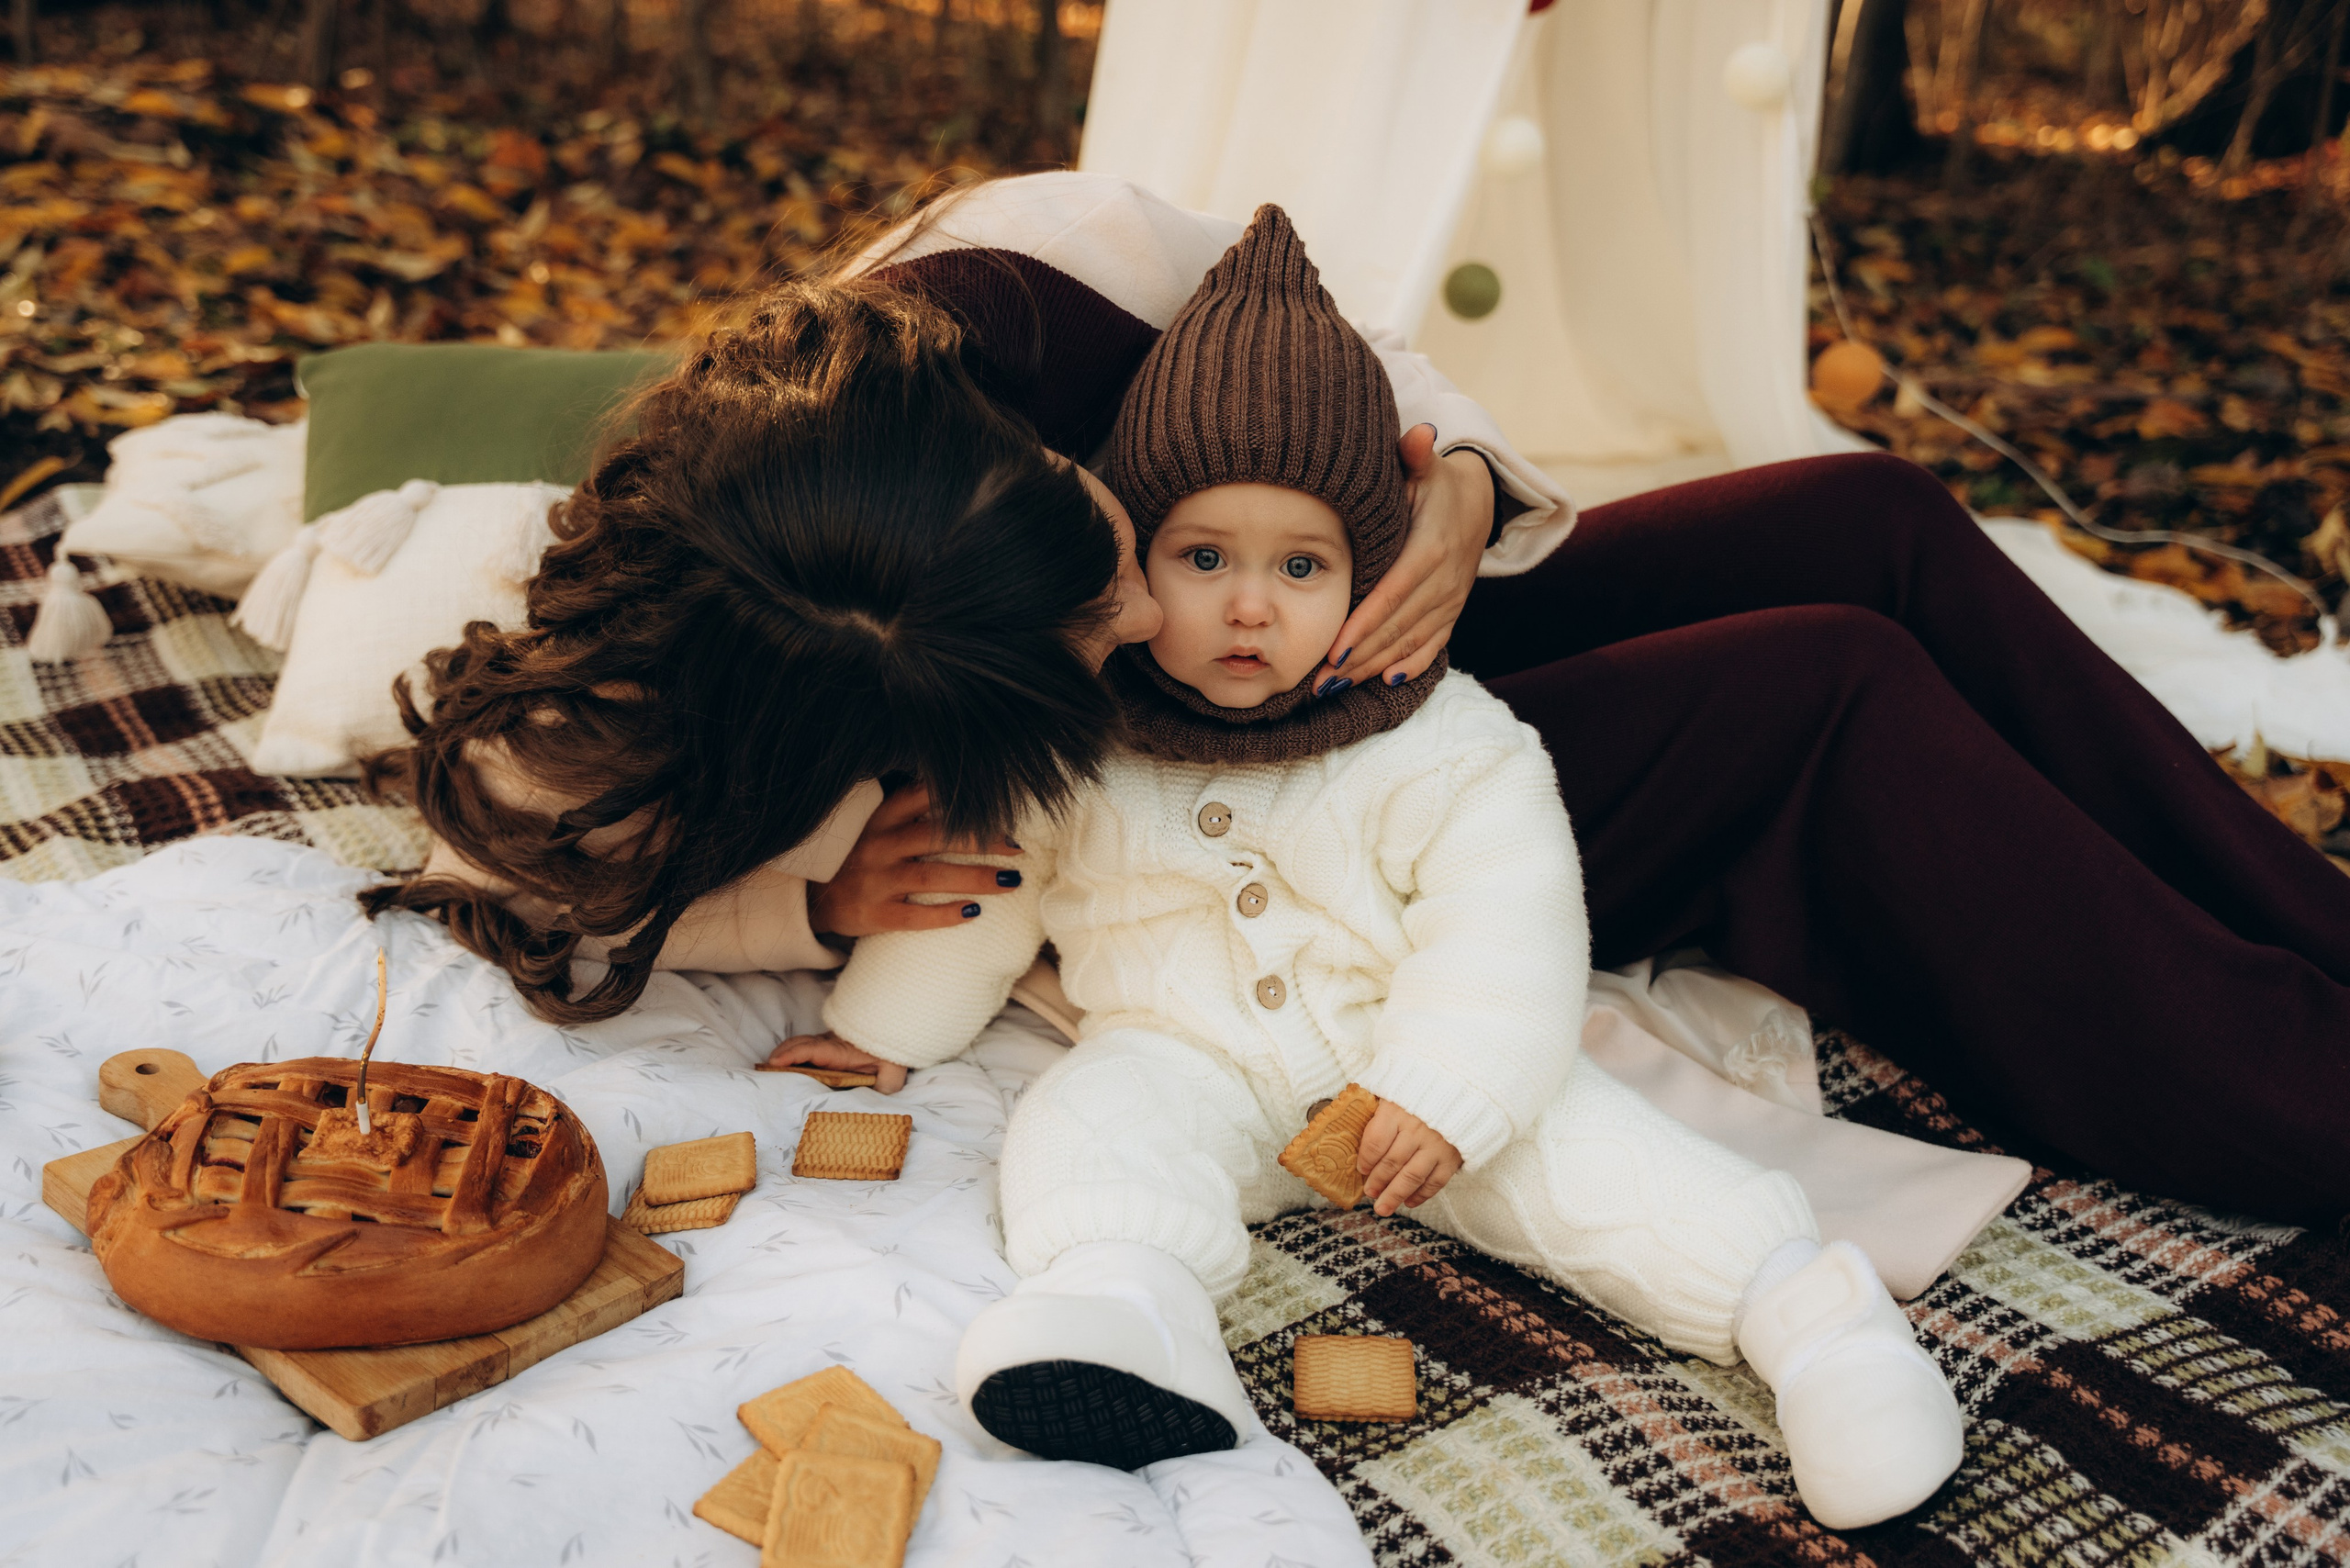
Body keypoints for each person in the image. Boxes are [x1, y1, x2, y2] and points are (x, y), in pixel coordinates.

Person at [372, 170, 2350, 1226]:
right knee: (1820, 694)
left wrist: (1463, 482)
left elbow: (1338, 336)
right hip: (1268, 822)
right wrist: (808, 906)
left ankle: (2305, 931)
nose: (1128, 606)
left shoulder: (1028, 266)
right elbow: (555, 857)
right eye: (1077, 640)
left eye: (1092, 547)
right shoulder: (648, 661)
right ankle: (2287, 1096)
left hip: (1351, 626)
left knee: (1870, 516)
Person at [793, 207, 1965, 1527]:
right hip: (1187, 1056)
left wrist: (1447, 1089)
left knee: (1611, 1181)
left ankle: (1820, 1328)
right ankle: (1125, 1311)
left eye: (1301, 567)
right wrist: (880, 1025)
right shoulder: (1083, 732)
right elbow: (981, 885)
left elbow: (1507, 927)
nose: (1250, 606)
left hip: (1401, 1069)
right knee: (1088, 1135)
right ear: (1130, 557)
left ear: (1370, 574)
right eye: (1203, 559)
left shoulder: (1446, 743)